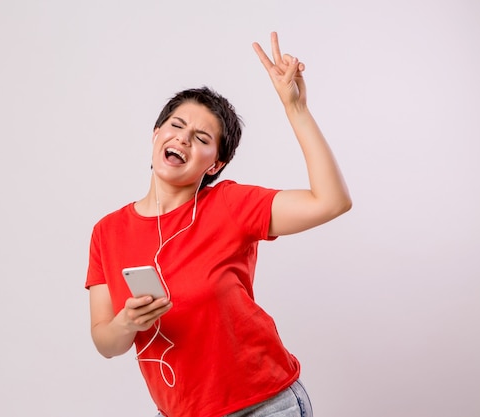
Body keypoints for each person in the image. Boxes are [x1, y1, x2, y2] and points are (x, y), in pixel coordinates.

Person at [85, 32, 351, 417]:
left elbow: (332, 201)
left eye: (201, 137)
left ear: (215, 164)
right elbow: (105, 342)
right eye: (176, 126)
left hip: (265, 406)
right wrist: (127, 322)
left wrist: (296, 110)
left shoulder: (230, 203)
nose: (183, 138)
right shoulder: (107, 232)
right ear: (156, 134)